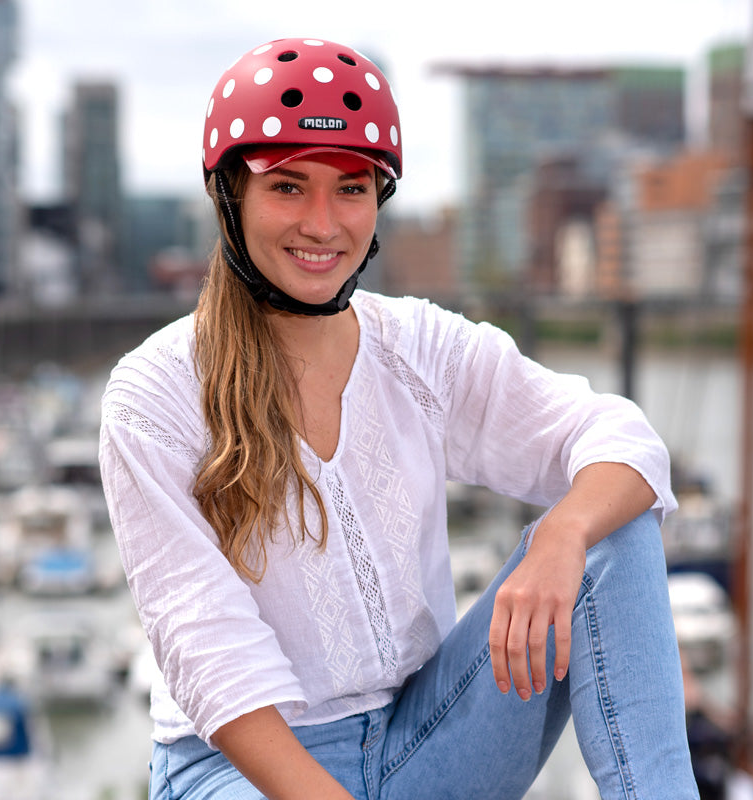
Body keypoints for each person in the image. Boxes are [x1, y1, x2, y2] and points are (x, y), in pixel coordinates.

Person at [99, 37, 699, 799]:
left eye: (350, 188)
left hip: (427, 735)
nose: (323, 223)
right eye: (287, 187)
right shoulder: (153, 395)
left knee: (613, 527)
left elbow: (624, 439)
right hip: (240, 771)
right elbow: (212, 662)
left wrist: (561, 533)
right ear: (229, 197)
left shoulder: (421, 347)